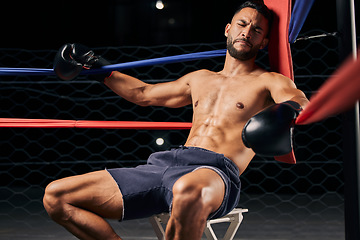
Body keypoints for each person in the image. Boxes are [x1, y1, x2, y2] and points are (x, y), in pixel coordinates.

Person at [43, 1, 309, 240]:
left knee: (187, 190)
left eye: (257, 30)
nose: (247, 32)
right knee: (57, 196)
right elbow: (143, 94)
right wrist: (96, 66)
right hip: (167, 165)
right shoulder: (200, 78)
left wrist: (288, 112)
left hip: (215, 173)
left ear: (263, 42)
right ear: (228, 29)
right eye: (242, 24)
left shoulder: (269, 81)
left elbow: (299, 101)